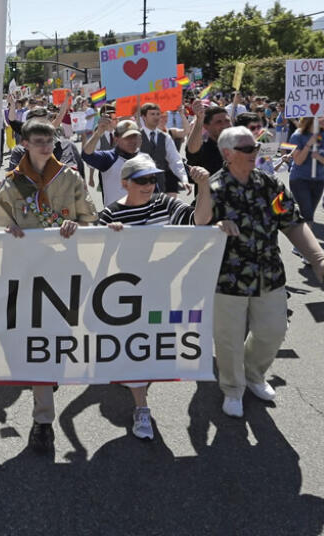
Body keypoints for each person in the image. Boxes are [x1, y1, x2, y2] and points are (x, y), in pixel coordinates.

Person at [208, 126, 324, 418]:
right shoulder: (214, 188)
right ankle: (232, 388)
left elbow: (291, 222)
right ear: (227, 154)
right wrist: (215, 229)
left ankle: (253, 374)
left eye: (256, 147)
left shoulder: (269, 184)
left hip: (269, 273)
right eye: (248, 149)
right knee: (228, 339)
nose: (256, 152)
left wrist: (318, 258)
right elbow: (198, 226)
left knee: (273, 331)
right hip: (227, 279)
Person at [0, 119, 97, 453]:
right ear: (24, 144)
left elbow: (90, 221)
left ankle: (47, 382)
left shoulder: (70, 178)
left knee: (57, 342)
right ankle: (43, 420)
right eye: (38, 141)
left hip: (62, 274)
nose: (46, 146)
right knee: (36, 344)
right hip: (25, 277)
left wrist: (74, 224)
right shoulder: (10, 185)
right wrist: (8, 234)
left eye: (50, 140)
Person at [97, 154, 213, 439]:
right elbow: (95, 262)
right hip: (127, 296)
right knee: (138, 349)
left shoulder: (165, 203)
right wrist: (109, 239)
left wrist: (205, 187)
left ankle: (136, 380)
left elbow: (200, 220)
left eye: (153, 179)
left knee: (153, 348)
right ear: (125, 183)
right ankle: (142, 409)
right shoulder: (109, 215)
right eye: (142, 180)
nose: (149, 185)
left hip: (165, 291)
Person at [82, 118, 145, 207]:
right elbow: (87, 155)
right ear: (116, 139)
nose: (132, 141)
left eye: (135, 137)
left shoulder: (144, 159)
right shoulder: (109, 158)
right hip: (115, 216)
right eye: (127, 137)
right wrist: (98, 134)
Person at [287, 118, 324, 224]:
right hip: (299, 179)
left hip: (318, 180)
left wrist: (318, 157)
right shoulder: (297, 136)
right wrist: (308, 145)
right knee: (307, 214)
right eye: (319, 117)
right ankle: (307, 239)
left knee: (308, 213)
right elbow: (298, 161)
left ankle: (300, 232)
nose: (323, 119)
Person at [138, 102, 188, 196]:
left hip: (160, 184)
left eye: (158, 114)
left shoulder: (165, 137)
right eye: (152, 114)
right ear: (144, 117)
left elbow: (175, 160)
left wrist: (184, 178)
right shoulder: (136, 136)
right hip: (140, 185)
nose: (156, 117)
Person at [185, 106, 230, 175]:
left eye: (227, 121)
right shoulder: (204, 147)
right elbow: (192, 151)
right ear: (206, 126)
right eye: (219, 122)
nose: (224, 125)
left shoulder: (238, 145)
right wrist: (199, 120)